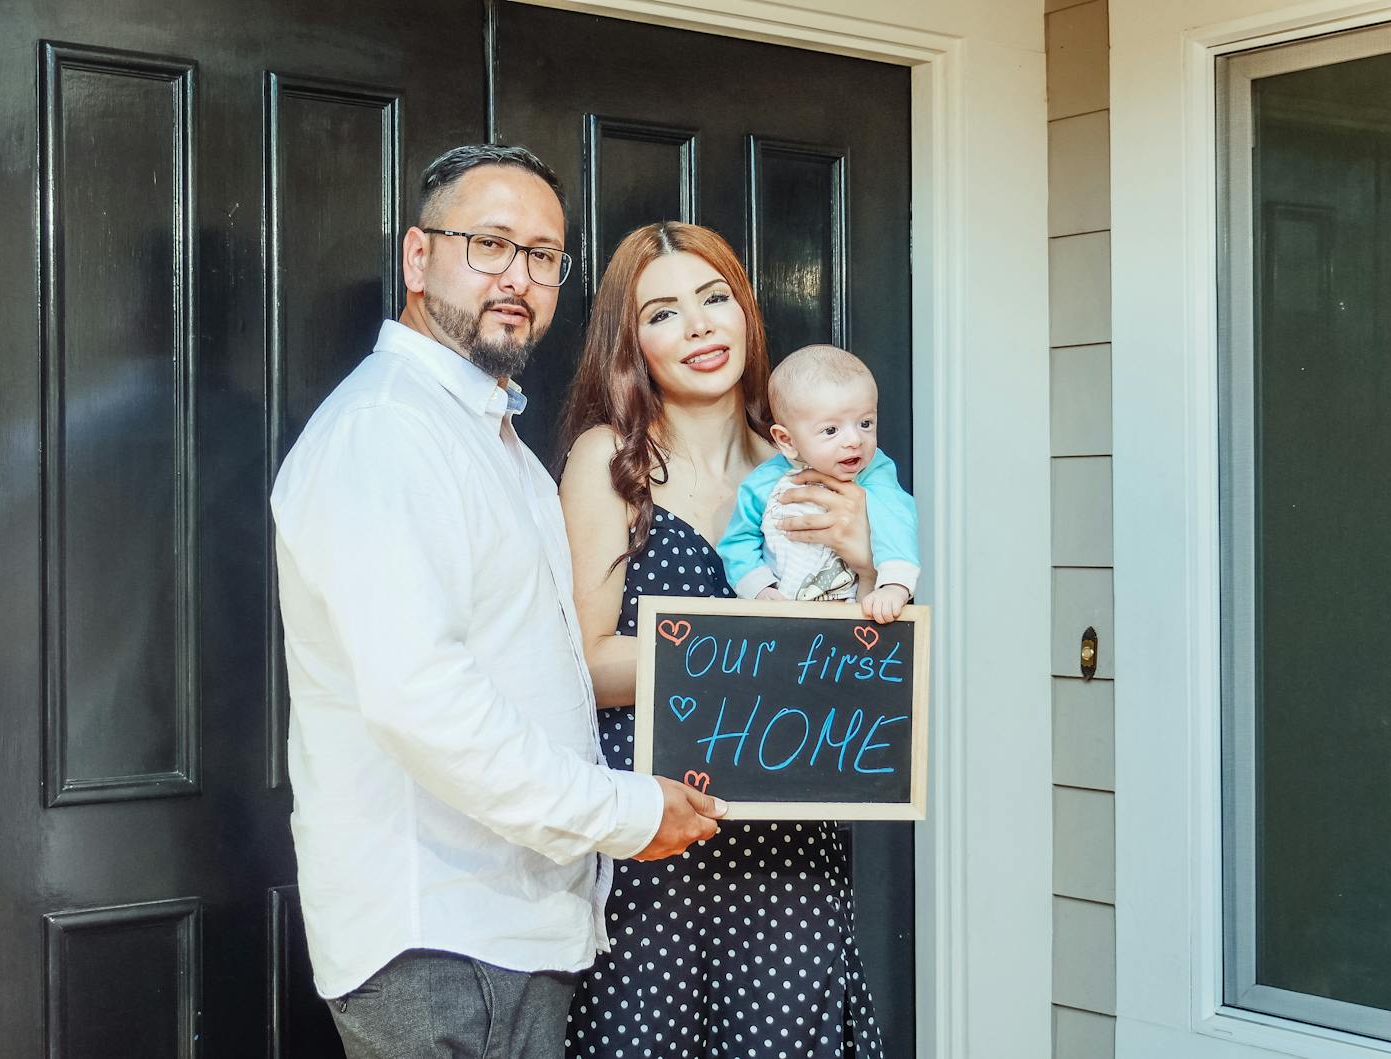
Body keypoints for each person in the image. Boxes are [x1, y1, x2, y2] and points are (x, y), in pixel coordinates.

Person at [271, 145, 726, 1059]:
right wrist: (626, 815)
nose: (519, 276)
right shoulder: (385, 433)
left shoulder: (494, 442)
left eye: (545, 255)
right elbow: (422, 700)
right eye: (490, 243)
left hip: (505, 932)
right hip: (437, 938)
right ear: (417, 257)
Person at [556, 221, 889, 1057]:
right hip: (650, 841)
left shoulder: (815, 464)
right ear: (631, 343)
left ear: (745, 313)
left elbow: (860, 679)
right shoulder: (608, 461)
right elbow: (585, 664)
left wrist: (860, 567)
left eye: (714, 299)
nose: (700, 326)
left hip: (788, 846)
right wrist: (744, 650)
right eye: (663, 312)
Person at [716, 343, 921, 623]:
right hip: (781, 619)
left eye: (865, 423)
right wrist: (760, 588)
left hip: (852, 621)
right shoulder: (764, 483)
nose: (854, 440)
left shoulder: (875, 471)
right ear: (786, 440)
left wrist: (894, 585)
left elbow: (897, 520)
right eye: (831, 430)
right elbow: (737, 541)